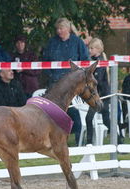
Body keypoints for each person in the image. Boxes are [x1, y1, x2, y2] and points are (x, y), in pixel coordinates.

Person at [42, 17, 89, 146]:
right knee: (54, 114)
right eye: (57, 29)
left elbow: (85, 61)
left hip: (73, 85)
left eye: (61, 28)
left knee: (76, 112)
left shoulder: (78, 42)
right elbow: (45, 62)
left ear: (67, 28)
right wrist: (51, 76)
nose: (59, 31)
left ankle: (80, 141)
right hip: (55, 84)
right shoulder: (52, 43)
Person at [84, 38, 111, 144]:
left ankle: (89, 143)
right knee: (105, 120)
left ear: (98, 50)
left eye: (91, 48)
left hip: (102, 96)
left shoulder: (100, 63)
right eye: (88, 48)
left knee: (89, 118)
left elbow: (97, 81)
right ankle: (119, 140)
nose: (89, 50)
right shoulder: (93, 61)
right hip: (98, 95)